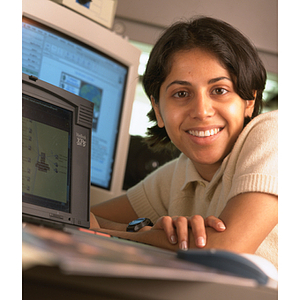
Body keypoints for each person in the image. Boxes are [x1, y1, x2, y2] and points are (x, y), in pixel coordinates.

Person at [90, 16, 278, 268]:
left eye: (219, 90)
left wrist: (139, 233)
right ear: (158, 109)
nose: (201, 111)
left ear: (249, 100)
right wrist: (148, 232)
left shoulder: (276, 134)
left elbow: (226, 250)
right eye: (181, 93)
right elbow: (84, 217)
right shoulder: (179, 175)